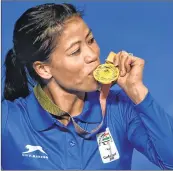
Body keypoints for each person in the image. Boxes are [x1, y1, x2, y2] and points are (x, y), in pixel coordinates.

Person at [1, 3, 173, 170]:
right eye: (75, 51)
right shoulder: (8, 120)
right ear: (44, 69)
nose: (93, 55)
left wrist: (137, 91)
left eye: (91, 40)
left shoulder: (120, 108)